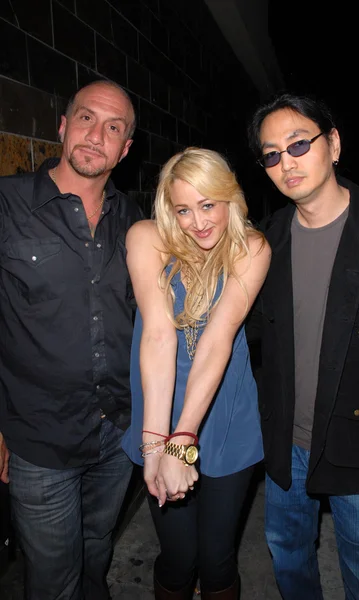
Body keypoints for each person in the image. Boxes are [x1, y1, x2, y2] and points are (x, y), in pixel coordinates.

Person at [247, 92, 359, 599]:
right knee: (288, 559)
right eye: (271, 155)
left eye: (297, 145)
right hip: (286, 444)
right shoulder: (268, 242)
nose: (285, 163)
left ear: (332, 144)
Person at [0, 79, 143, 600]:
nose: (95, 135)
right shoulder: (7, 205)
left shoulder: (137, 224)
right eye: (86, 118)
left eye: (113, 128)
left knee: (97, 546)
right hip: (39, 436)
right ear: (63, 125)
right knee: (53, 578)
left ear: (125, 149)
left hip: (119, 432)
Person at [122, 147, 271, 599]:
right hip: (160, 408)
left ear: (230, 198)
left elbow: (216, 340)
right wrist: (156, 445)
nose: (198, 221)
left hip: (226, 417)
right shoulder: (146, 236)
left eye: (209, 204)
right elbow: (159, 337)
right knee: (178, 555)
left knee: (216, 557)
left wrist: (182, 443)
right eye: (183, 209)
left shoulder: (252, 247)